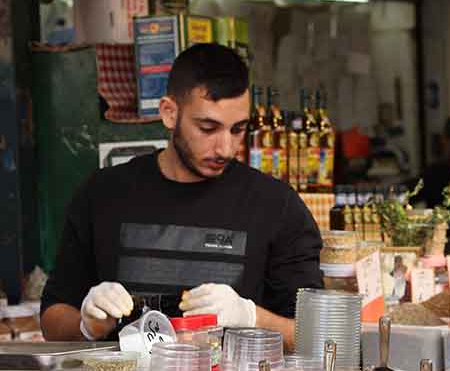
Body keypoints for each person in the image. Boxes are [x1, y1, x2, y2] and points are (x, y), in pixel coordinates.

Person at [41, 44, 322, 350]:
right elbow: (52, 319)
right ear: (169, 113)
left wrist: (251, 317)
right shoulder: (104, 194)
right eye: (208, 128)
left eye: (238, 129)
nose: (225, 148)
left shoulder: (275, 206)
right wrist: (86, 325)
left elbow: (316, 337)